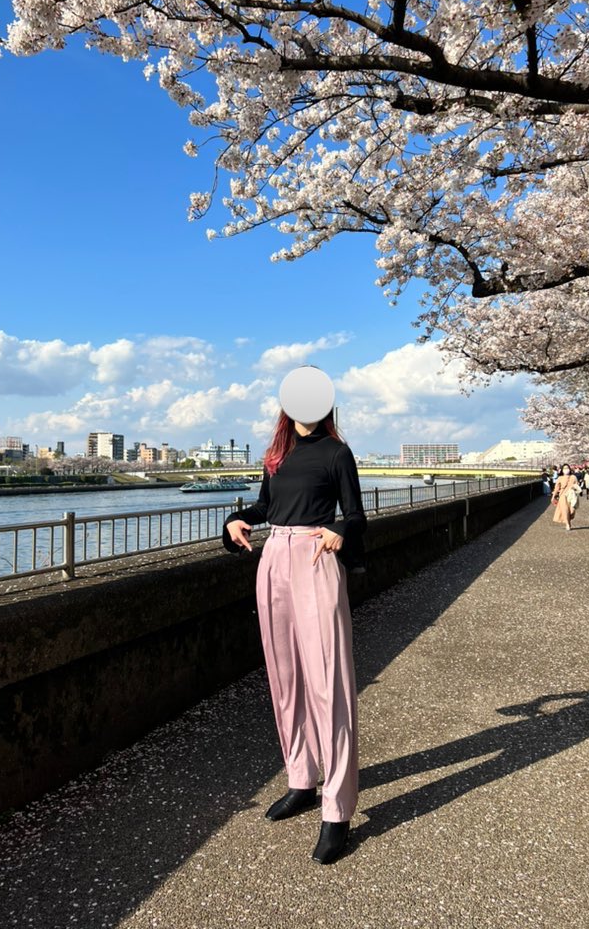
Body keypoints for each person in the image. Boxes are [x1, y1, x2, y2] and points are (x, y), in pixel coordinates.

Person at [223, 366, 366, 864]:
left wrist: (340, 531)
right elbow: (267, 505)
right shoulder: (275, 456)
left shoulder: (337, 453)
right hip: (274, 559)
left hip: (314, 557)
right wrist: (238, 519)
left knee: (329, 682)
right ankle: (302, 778)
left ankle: (337, 808)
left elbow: (356, 515)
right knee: (285, 678)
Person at [551, 463, 579, 531]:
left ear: (569, 469)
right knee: (565, 510)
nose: (566, 470)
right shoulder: (560, 478)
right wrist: (553, 496)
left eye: (567, 468)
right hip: (563, 495)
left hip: (572, 495)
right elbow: (556, 488)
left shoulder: (573, 477)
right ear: (562, 470)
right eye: (564, 468)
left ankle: (568, 521)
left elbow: (577, 486)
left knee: (572, 510)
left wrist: (575, 489)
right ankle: (567, 524)